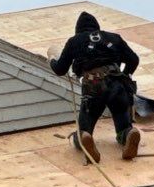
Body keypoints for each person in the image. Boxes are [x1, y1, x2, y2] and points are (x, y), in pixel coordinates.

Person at [49, 11, 142, 162]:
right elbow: (134, 59)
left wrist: (52, 60)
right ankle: (129, 134)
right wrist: (125, 76)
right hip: (117, 85)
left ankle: (85, 139)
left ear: (78, 30)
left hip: (94, 86)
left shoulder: (75, 41)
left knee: (84, 130)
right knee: (122, 122)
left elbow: (60, 69)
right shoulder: (113, 38)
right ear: (97, 27)